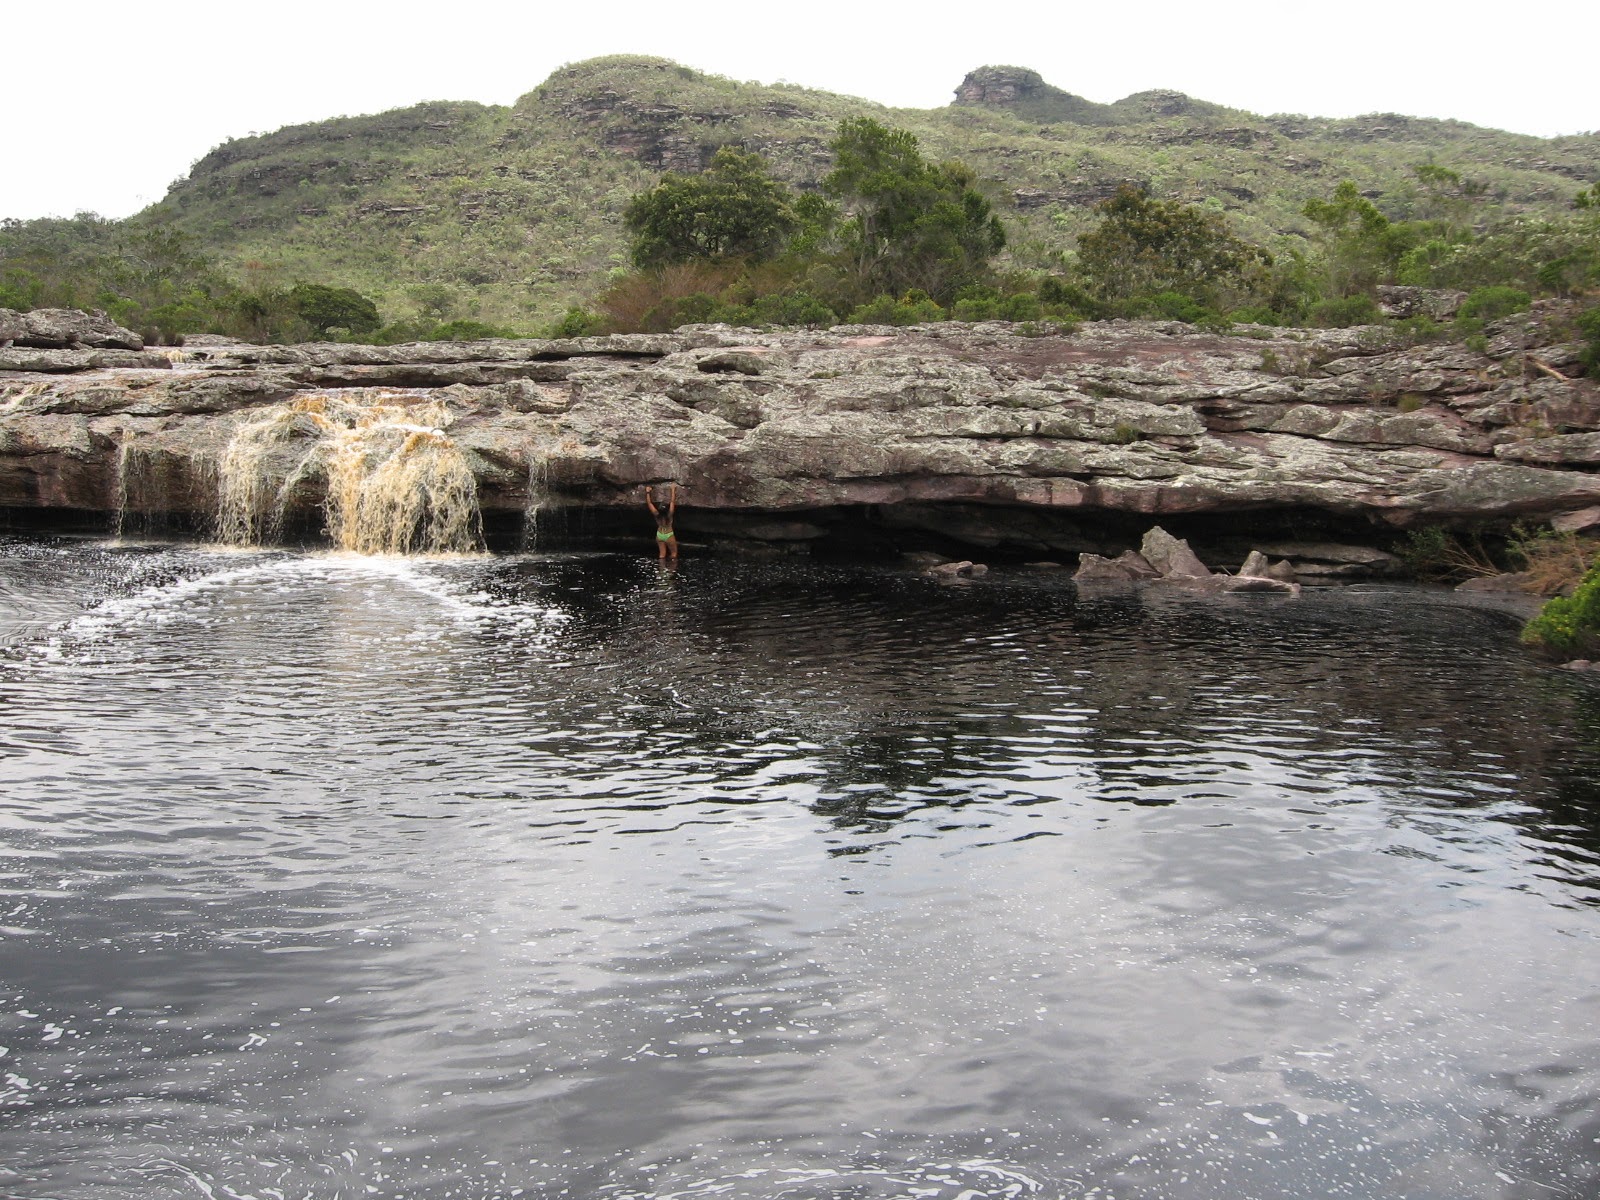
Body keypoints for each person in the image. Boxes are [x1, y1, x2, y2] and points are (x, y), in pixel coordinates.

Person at [644, 483, 678, 560]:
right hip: (668, 534)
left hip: (659, 535)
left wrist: (648, 492)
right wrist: (672, 489)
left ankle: (662, 571)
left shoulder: (656, 514)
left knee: (662, 555)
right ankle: (670, 571)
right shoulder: (669, 515)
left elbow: (649, 503)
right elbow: (672, 502)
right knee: (673, 554)